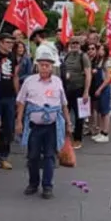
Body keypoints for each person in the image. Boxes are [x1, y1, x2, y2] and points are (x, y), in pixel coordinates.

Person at [15, 50, 71, 199]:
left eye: (47, 65)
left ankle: (47, 186)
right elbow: (21, 102)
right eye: (42, 65)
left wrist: (68, 123)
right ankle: (33, 183)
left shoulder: (57, 82)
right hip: (34, 125)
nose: (44, 68)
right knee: (32, 156)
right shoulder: (29, 81)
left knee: (49, 156)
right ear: (37, 66)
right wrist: (19, 121)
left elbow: (63, 104)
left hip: (51, 125)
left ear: (52, 67)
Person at [0, 34, 19, 169]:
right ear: (0, 43)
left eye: (12, 43)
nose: (10, 45)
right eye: (7, 42)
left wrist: (18, 95)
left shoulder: (13, 57)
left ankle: (4, 157)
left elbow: (15, 76)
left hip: (9, 96)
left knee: (8, 127)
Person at [60, 38, 92, 149]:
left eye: (76, 43)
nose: (74, 45)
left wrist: (86, 92)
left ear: (80, 44)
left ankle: (78, 139)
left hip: (79, 88)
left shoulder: (83, 56)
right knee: (65, 113)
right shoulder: (68, 55)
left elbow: (88, 75)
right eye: (72, 43)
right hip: (67, 89)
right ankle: (66, 137)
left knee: (79, 116)